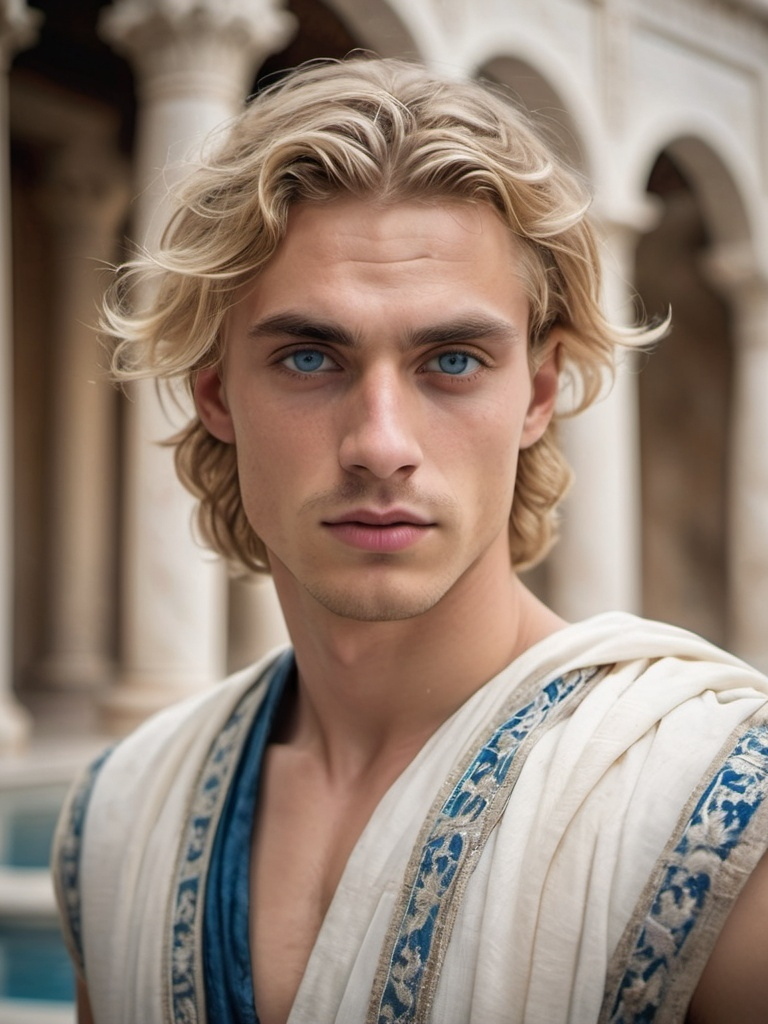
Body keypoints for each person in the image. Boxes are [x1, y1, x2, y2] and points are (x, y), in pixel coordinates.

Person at [52, 56, 768, 1024]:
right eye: (310, 356)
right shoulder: (121, 814)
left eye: (454, 360)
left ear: (541, 392)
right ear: (219, 394)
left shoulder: (717, 803)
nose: (381, 444)